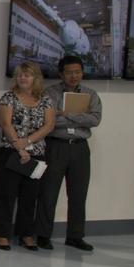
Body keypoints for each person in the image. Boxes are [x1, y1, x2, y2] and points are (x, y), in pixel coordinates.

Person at [35, 54, 101, 252]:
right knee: (48, 192)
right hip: (56, 145)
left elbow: (95, 119)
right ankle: (43, 235)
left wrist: (66, 114)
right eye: (70, 72)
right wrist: (80, 117)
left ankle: (75, 236)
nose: (74, 76)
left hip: (80, 147)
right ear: (61, 73)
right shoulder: (50, 93)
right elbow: (49, 121)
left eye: (78, 72)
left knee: (78, 194)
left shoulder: (91, 94)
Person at [0, 63, 54, 251]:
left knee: (30, 196)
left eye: (27, 75)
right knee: (6, 195)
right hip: (11, 152)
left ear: (35, 78)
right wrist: (19, 147)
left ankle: (26, 234)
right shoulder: (8, 98)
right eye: (19, 75)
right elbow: (5, 123)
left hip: (36, 154)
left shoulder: (45, 100)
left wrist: (27, 142)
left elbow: (48, 126)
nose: (22, 78)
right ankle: (2, 234)